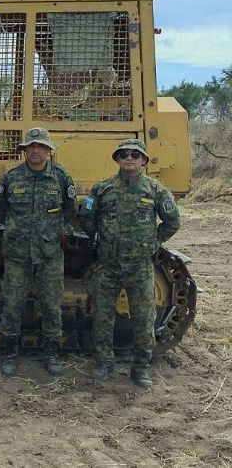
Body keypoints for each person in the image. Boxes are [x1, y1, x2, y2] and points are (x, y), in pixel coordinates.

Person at [79, 138, 180, 388]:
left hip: (140, 268)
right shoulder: (102, 189)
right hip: (108, 266)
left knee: (144, 320)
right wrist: (100, 240)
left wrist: (153, 241)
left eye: (135, 155)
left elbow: (172, 221)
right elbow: (87, 218)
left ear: (144, 160)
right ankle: (104, 363)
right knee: (102, 318)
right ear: (117, 159)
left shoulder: (156, 190)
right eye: (123, 154)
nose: (129, 158)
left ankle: (140, 368)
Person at [0, 128, 76, 377]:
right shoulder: (11, 178)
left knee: (51, 305)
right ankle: (9, 354)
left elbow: (70, 211)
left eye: (41, 146)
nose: (36, 151)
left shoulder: (61, 178)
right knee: (12, 304)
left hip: (49, 254)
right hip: (17, 254)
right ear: (24, 151)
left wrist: (51, 230)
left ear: (49, 150)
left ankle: (50, 353)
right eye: (31, 147)